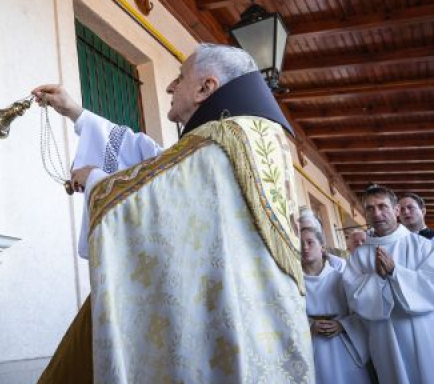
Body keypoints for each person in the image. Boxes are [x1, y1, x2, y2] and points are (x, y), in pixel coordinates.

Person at [34, 44, 313, 383]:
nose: (169, 86)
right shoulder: (244, 137)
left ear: (205, 88)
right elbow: (155, 163)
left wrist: (94, 180)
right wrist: (77, 113)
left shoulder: (222, 138)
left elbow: (158, 193)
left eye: (180, 78)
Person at [343, 186, 434, 384]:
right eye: (370, 208)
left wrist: (395, 273)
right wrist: (376, 278)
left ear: (396, 210)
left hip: (428, 333)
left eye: (382, 206)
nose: (377, 213)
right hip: (387, 338)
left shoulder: (421, 245)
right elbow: (353, 296)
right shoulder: (359, 256)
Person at [301, 226, 373, 384]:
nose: (305, 247)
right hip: (311, 344)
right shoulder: (294, 284)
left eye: (310, 242)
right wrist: (309, 326)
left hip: (343, 344)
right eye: (301, 244)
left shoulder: (342, 278)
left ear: (322, 246)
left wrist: (342, 324)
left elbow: (362, 313)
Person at [297, 206, 346, 272]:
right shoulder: (295, 267)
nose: (305, 233)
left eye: (310, 229)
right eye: (300, 230)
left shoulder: (338, 265)